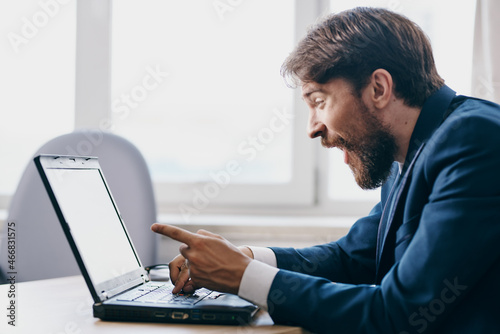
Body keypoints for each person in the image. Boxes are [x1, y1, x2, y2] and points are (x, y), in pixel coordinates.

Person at [151, 7, 500, 333]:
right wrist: (247, 259)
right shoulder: (410, 150)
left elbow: (399, 313)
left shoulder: (474, 140)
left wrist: (243, 276)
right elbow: (352, 258)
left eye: (319, 101)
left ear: (379, 88)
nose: (312, 128)